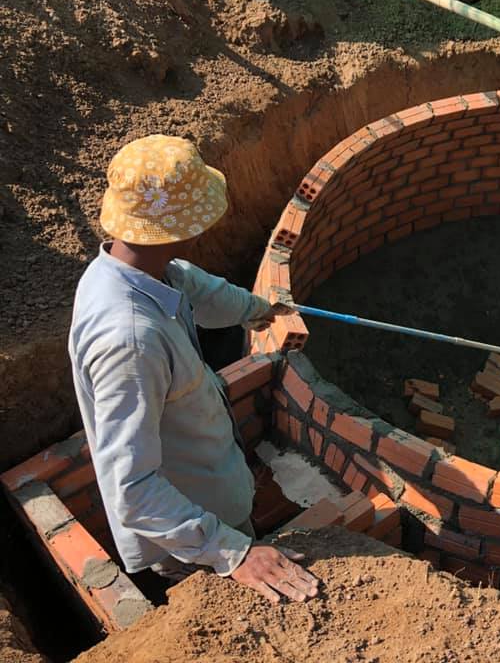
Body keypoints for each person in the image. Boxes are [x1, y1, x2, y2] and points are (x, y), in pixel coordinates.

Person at [69, 135, 318, 603]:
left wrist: (257, 308)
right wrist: (235, 552)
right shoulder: (130, 342)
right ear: (181, 228)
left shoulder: (143, 268)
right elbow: (134, 490)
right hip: (189, 539)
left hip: (209, 484)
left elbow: (198, 290)